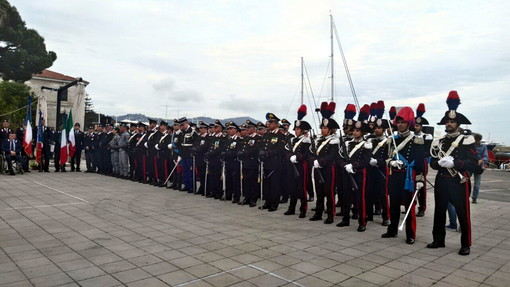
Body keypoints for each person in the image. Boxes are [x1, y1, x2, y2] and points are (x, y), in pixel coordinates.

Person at [427, 90, 479, 256]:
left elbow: (475, 165)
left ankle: (466, 244)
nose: (449, 124)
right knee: (439, 212)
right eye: (447, 122)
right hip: (442, 180)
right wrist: (438, 163)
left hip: (458, 182)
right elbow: (432, 161)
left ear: (458, 124)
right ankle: (438, 239)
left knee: (463, 214)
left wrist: (455, 163)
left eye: (452, 122)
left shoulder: (466, 140)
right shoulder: (439, 141)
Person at [381, 106, 425, 245]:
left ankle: (410, 234)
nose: (400, 125)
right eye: (398, 122)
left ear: (408, 124)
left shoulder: (416, 140)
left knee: (409, 206)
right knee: (393, 203)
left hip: (408, 176)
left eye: (403, 122)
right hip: (395, 175)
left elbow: (419, 161)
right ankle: (392, 229)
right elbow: (385, 157)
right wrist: (391, 163)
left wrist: (419, 178)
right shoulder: (391, 140)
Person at [337, 104, 371, 231]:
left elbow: (366, 160)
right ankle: (345, 219)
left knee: (360, 198)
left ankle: (362, 222)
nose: (355, 132)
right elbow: (340, 157)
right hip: (347, 172)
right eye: (354, 130)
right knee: (346, 196)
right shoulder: (347, 144)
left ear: (362, 132)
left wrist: (354, 165)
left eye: (357, 131)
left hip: (359, 173)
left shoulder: (366, 144)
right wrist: (344, 165)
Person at [309, 102, 340, 224]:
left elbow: (333, 155)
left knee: (329, 192)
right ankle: (318, 212)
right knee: (319, 191)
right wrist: (314, 161)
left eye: (325, 128)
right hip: (317, 168)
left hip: (328, 168)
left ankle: (330, 215)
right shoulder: (318, 140)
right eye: (321, 128)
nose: (322, 130)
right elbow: (311, 153)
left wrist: (321, 161)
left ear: (331, 130)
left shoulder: (334, 141)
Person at [285, 105, 312, 218]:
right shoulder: (292, 140)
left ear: (303, 131)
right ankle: (291, 208)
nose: (295, 131)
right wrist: (290, 156)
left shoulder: (306, 140)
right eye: (295, 129)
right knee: (292, 188)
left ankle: (303, 209)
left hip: (301, 166)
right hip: (292, 166)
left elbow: (307, 154)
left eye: (297, 129)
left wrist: (298, 157)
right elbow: (286, 150)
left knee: (301, 188)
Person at [258, 113, 286, 212]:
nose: (268, 124)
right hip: (266, 163)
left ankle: (274, 203)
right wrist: (261, 152)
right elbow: (261, 146)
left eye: (270, 122)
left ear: (276, 123)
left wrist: (268, 153)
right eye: (268, 122)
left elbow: (281, 149)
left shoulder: (280, 136)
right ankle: (267, 202)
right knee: (267, 185)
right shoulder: (266, 134)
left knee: (275, 185)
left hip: (275, 164)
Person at [413, 104, 433, 217]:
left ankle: (422, 208)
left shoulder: (427, 136)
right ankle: (411, 205)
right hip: (411, 162)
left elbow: (428, 151)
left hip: (422, 162)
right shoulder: (410, 136)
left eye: (417, 126)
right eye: (414, 125)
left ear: (421, 126)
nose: (415, 127)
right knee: (411, 184)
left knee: (421, 185)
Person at [237, 120, 262, 207]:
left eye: (249, 127)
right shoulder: (246, 138)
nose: (247, 129)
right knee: (246, 182)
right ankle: (247, 198)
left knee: (253, 182)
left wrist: (245, 153)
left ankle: (253, 199)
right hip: (246, 163)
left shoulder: (258, 138)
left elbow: (255, 149)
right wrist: (240, 153)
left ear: (253, 128)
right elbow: (242, 148)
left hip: (253, 163)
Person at [471, 133, 488, 204]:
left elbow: (486, 156)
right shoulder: (471, 146)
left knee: (477, 184)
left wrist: (482, 160)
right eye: (475, 140)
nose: (476, 142)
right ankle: (464, 196)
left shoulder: (483, 147)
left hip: (478, 167)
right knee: (465, 182)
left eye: (478, 140)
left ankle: (474, 198)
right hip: (470, 165)